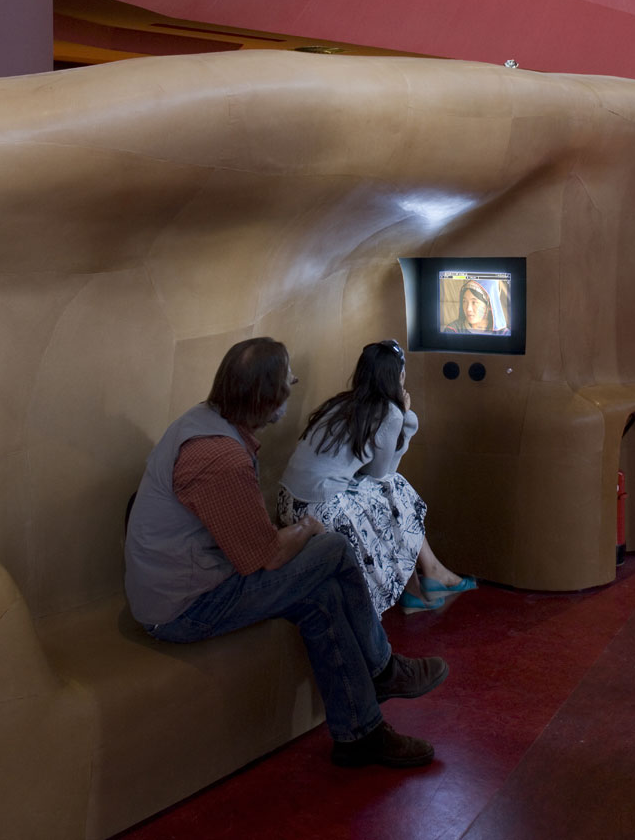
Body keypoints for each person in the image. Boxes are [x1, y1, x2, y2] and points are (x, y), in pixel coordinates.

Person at [124, 337, 447, 769]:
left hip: (192, 582)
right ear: (266, 395)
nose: (294, 384)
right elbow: (266, 557)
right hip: (184, 608)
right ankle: (383, 669)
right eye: (286, 379)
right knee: (332, 546)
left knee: (323, 598)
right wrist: (306, 529)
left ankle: (360, 734)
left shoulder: (206, 421)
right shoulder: (218, 456)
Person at [279, 340, 474, 614]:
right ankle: (425, 578)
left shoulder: (343, 403)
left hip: (289, 502)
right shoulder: (389, 412)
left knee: (394, 492)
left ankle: (422, 581)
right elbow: (383, 473)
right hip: (320, 509)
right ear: (399, 377)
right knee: (397, 488)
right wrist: (405, 418)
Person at [443, 279, 509, 335]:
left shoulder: (503, 333)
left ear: (489, 306)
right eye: (464, 301)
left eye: (474, 302)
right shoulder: (453, 331)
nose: (468, 309)